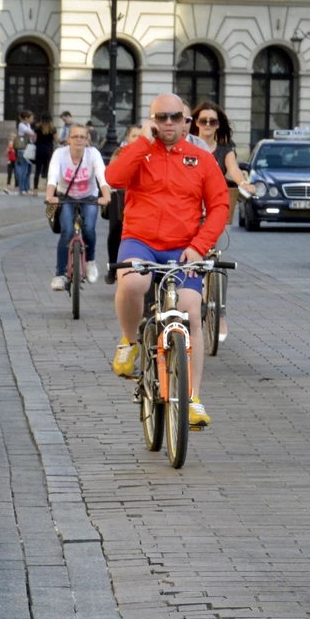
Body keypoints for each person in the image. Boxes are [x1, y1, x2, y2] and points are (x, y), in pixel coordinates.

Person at [105, 93, 229, 428]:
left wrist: (200, 246)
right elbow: (114, 178)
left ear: (187, 122)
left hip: (184, 248)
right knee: (132, 280)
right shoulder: (140, 152)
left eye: (175, 117)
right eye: (161, 117)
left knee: (191, 310)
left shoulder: (201, 160)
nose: (169, 123)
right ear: (152, 120)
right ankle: (129, 341)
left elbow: (219, 206)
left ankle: (192, 399)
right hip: (140, 241)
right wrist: (142, 144)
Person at [45, 124, 112, 290]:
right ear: (68, 139)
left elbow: (101, 176)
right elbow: (52, 176)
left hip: (89, 197)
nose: (79, 140)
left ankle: (90, 261)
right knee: (67, 230)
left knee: (88, 228)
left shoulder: (93, 154)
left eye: (83, 136)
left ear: (87, 140)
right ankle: (60, 275)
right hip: (65, 197)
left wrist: (106, 195)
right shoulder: (60, 154)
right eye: (75, 136)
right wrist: (50, 195)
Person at [190, 101, 255, 226]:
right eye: (203, 121)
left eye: (212, 121)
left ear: (218, 124)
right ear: (197, 123)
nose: (207, 124)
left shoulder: (225, 149)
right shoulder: (187, 145)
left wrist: (243, 183)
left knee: (217, 243)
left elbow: (233, 169)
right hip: (189, 204)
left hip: (214, 204)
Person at [104, 125, 142, 285]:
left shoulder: (146, 153)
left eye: (140, 136)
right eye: (134, 136)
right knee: (115, 230)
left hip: (137, 199)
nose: (137, 139)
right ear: (128, 138)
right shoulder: (121, 153)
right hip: (118, 196)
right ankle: (113, 266)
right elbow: (112, 174)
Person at [33, 112, 58, 195]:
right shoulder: (52, 128)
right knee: (48, 171)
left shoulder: (38, 127)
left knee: (37, 171)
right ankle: (49, 191)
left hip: (39, 149)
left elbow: (34, 140)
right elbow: (56, 140)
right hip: (48, 150)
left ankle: (35, 190)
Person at [15, 111, 36, 195]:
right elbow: (31, 134)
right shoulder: (21, 125)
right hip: (23, 150)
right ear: (26, 118)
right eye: (31, 118)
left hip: (29, 149)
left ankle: (27, 188)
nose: (32, 120)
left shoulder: (28, 125)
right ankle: (22, 188)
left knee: (28, 170)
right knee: (24, 170)